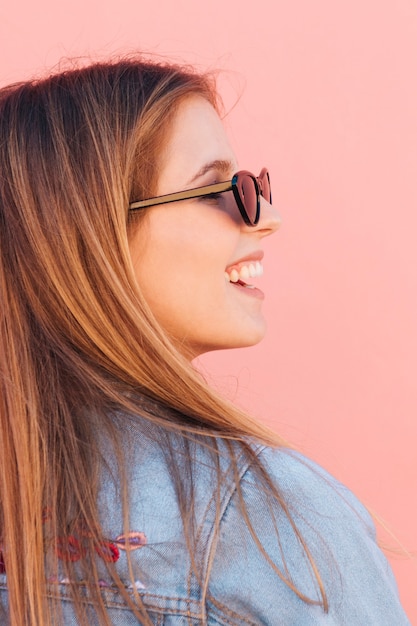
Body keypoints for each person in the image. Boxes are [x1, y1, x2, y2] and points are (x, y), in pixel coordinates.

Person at [0, 56, 410, 626]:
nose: (268, 217)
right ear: (90, 236)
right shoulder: (270, 521)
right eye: (220, 188)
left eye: (253, 185)